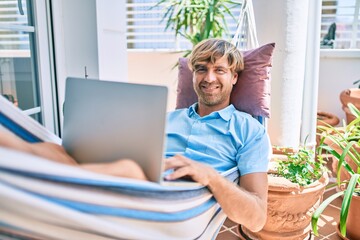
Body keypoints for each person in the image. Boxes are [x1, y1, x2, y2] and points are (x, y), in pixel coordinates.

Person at [0, 38, 270, 233]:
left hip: (180, 203)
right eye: (201, 68)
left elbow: (257, 218)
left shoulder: (250, 131)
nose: (208, 78)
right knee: (61, 149)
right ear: (192, 75)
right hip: (134, 182)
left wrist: (208, 175)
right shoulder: (166, 118)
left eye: (219, 70)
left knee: (127, 167)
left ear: (234, 77)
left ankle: (32, 180)